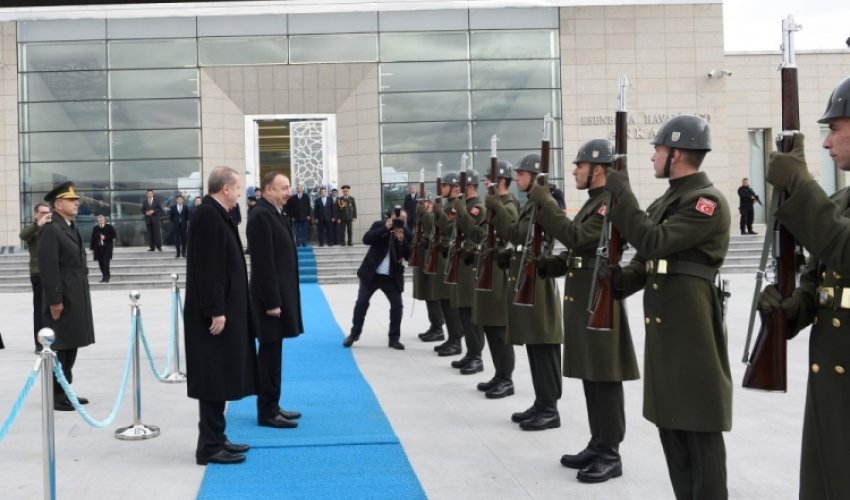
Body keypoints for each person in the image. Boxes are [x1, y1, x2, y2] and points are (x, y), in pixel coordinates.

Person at [605, 114, 732, 499]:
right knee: (673, 428)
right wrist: (620, 279)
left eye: (657, 149)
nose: (652, 157)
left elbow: (655, 241)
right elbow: (648, 258)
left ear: (675, 153)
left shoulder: (705, 201)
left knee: (698, 429)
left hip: (690, 327)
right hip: (666, 326)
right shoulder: (670, 199)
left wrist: (623, 196)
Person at [759, 75, 850, 499]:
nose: (827, 144)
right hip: (833, 390)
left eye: (834, 129)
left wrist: (801, 183)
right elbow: (821, 280)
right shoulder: (842, 202)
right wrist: (790, 309)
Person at [530, 139, 640, 483]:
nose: (575, 170)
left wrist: (546, 203)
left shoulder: (609, 204)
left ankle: (611, 452)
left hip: (599, 297)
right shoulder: (595, 203)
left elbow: (577, 237)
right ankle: (598, 442)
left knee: (605, 377)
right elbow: (581, 250)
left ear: (600, 170)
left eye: (580, 165)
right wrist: (553, 265)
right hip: (585, 295)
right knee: (592, 375)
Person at [184, 166, 257, 466]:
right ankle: (209, 447)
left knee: (220, 375)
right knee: (213, 377)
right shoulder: (207, 215)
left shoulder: (217, 213)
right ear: (225, 188)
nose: (240, 192)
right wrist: (216, 310)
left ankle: (217, 437)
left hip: (223, 312)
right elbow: (209, 267)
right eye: (238, 187)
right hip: (212, 316)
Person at [488, 154, 564, 431]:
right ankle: (541, 401)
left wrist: (497, 204)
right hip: (526, 276)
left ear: (535, 176)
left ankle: (550, 408)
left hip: (539, 280)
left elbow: (533, 234)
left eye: (522, 174)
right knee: (534, 344)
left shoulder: (545, 202)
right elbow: (518, 235)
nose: (517, 178)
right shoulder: (531, 203)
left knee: (544, 345)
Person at [247, 172, 304, 429]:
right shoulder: (260, 216)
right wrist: (272, 302)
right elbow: (262, 264)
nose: (288, 192)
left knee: (274, 354)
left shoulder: (274, 212)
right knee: (269, 356)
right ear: (269, 190)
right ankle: (267, 412)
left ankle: (273, 404)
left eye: (289, 187)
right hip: (269, 301)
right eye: (284, 188)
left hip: (279, 297)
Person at [38, 182, 95, 411]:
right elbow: (48, 267)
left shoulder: (68, 226)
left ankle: (65, 389)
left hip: (75, 294)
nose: (76, 203)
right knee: (61, 346)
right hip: (62, 296)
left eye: (76, 200)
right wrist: (54, 300)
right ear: (58, 204)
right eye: (71, 200)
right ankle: (56, 394)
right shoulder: (51, 229)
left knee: (71, 344)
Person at [465, 161, 517, 398]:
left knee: (499, 331)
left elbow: (509, 235)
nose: (486, 182)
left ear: (501, 182)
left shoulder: (509, 206)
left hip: (499, 274)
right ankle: (499, 374)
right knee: (489, 327)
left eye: (489, 179)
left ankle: (507, 378)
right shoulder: (493, 206)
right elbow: (481, 235)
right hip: (487, 270)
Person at [342, 208, 412, 350]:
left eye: (402, 220)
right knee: (361, 303)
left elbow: (409, 256)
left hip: (391, 277)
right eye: (397, 219)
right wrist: (385, 229)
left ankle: (394, 338)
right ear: (390, 217)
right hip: (371, 274)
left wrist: (402, 241)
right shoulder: (379, 225)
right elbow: (366, 239)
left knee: (397, 305)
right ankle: (354, 334)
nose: (399, 222)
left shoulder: (407, 233)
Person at [447, 169, 487, 375]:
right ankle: (471, 353)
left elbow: (477, 234)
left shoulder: (477, 208)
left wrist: (461, 212)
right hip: (460, 263)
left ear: (469, 187)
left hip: (471, 265)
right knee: (463, 311)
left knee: (471, 313)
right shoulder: (464, 206)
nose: (456, 190)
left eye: (460, 187)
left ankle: (477, 356)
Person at [430, 173, 466, 357]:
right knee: (445, 300)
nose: (441, 189)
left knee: (450, 302)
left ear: (453, 187)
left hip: (451, 257)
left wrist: (439, 213)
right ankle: (452, 338)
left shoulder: (455, 206)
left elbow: (449, 228)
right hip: (445, 254)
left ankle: (456, 340)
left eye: (444, 185)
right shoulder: (448, 205)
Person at [19, 202, 52, 352]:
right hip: (38, 273)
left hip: (54, 273)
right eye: (42, 212)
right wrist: (38, 224)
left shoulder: (53, 226)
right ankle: (39, 343)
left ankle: (53, 339)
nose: (45, 214)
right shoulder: (33, 228)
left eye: (47, 212)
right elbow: (23, 236)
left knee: (55, 307)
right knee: (39, 309)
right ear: (36, 214)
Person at [89, 215, 116, 283]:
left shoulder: (109, 227)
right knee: (100, 263)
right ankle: (104, 276)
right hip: (98, 248)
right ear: (97, 221)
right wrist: (92, 249)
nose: (100, 222)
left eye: (102, 220)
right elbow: (93, 239)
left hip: (107, 248)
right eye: (99, 221)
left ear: (104, 220)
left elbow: (114, 236)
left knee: (106, 262)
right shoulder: (95, 228)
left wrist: (105, 237)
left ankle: (107, 277)